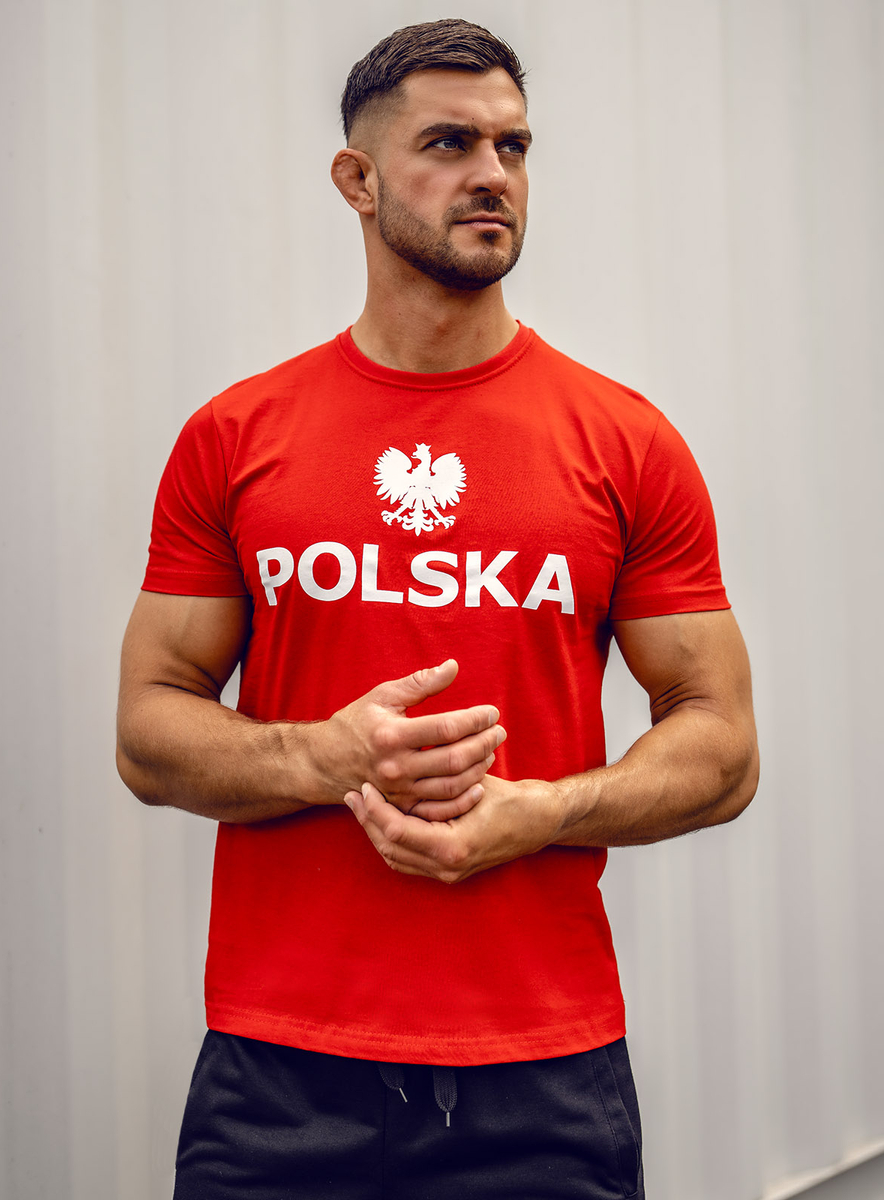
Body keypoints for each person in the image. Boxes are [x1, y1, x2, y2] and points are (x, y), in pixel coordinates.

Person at [117, 17, 759, 1200]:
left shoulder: (625, 442)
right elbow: (148, 733)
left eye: (514, 146)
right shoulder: (237, 437)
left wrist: (544, 812)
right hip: (281, 1073)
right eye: (450, 143)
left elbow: (723, 747)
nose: (493, 174)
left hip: (543, 1074)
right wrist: (325, 757)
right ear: (356, 180)